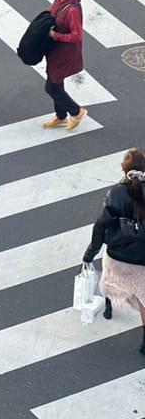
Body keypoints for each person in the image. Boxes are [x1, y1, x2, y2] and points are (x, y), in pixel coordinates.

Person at [83, 149, 145, 350]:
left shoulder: (117, 193)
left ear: (124, 169)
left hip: (119, 253)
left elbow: (101, 225)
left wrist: (91, 252)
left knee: (109, 280)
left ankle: (109, 306)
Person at [42, 0, 87, 130]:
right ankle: (61, 117)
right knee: (56, 83)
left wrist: (55, 35)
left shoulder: (73, 9)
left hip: (64, 53)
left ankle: (76, 112)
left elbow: (76, 35)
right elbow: (51, 12)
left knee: (52, 86)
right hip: (54, 50)